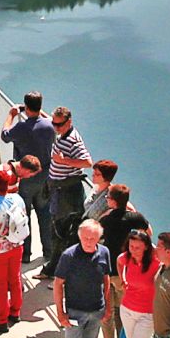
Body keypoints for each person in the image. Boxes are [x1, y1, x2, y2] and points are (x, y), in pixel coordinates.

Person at [43, 218, 117, 338]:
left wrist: (107, 306)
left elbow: (106, 279)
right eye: (85, 237)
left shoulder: (104, 253)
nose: (89, 241)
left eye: (93, 238)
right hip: (75, 312)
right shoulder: (69, 256)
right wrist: (61, 312)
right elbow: (59, 284)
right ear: (79, 236)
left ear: (99, 238)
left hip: (96, 311)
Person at [96, 181, 151, 338]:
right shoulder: (134, 218)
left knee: (107, 315)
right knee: (124, 314)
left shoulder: (106, 220)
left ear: (113, 201)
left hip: (107, 271)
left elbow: (96, 234)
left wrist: (107, 212)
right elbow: (148, 232)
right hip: (125, 272)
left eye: (108, 198)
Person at [111, 225, 165, 338]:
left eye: (138, 247)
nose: (133, 250)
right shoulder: (126, 258)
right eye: (131, 246)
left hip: (147, 315)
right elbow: (119, 261)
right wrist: (123, 280)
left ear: (146, 247)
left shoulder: (156, 259)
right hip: (127, 310)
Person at [0, 165, 31, 330]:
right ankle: (15, 312)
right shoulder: (18, 198)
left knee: (1, 285)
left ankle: (1, 320)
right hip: (16, 246)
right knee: (15, 279)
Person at [0, 94, 55, 236]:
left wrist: (11, 115)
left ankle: (25, 254)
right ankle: (48, 251)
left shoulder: (21, 127)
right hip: (44, 176)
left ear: (27, 107)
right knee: (44, 213)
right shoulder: (50, 126)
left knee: (23, 215)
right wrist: (38, 111)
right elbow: (49, 120)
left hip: (25, 178)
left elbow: (5, 135)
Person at [45, 106, 94, 263]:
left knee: (60, 231)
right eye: (54, 124)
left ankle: (57, 267)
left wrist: (63, 161)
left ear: (69, 122)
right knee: (56, 228)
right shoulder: (63, 134)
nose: (55, 128)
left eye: (59, 125)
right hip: (58, 189)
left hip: (65, 193)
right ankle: (53, 265)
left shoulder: (73, 140)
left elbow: (87, 162)